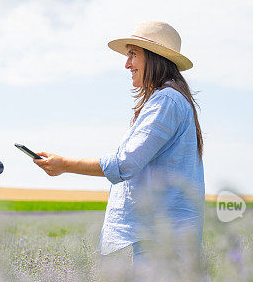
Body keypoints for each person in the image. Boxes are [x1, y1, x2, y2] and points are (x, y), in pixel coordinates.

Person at [34, 21, 204, 262]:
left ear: (154, 57)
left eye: (133, 55)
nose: (127, 64)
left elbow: (125, 164)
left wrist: (64, 165)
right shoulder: (170, 100)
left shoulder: (166, 101)